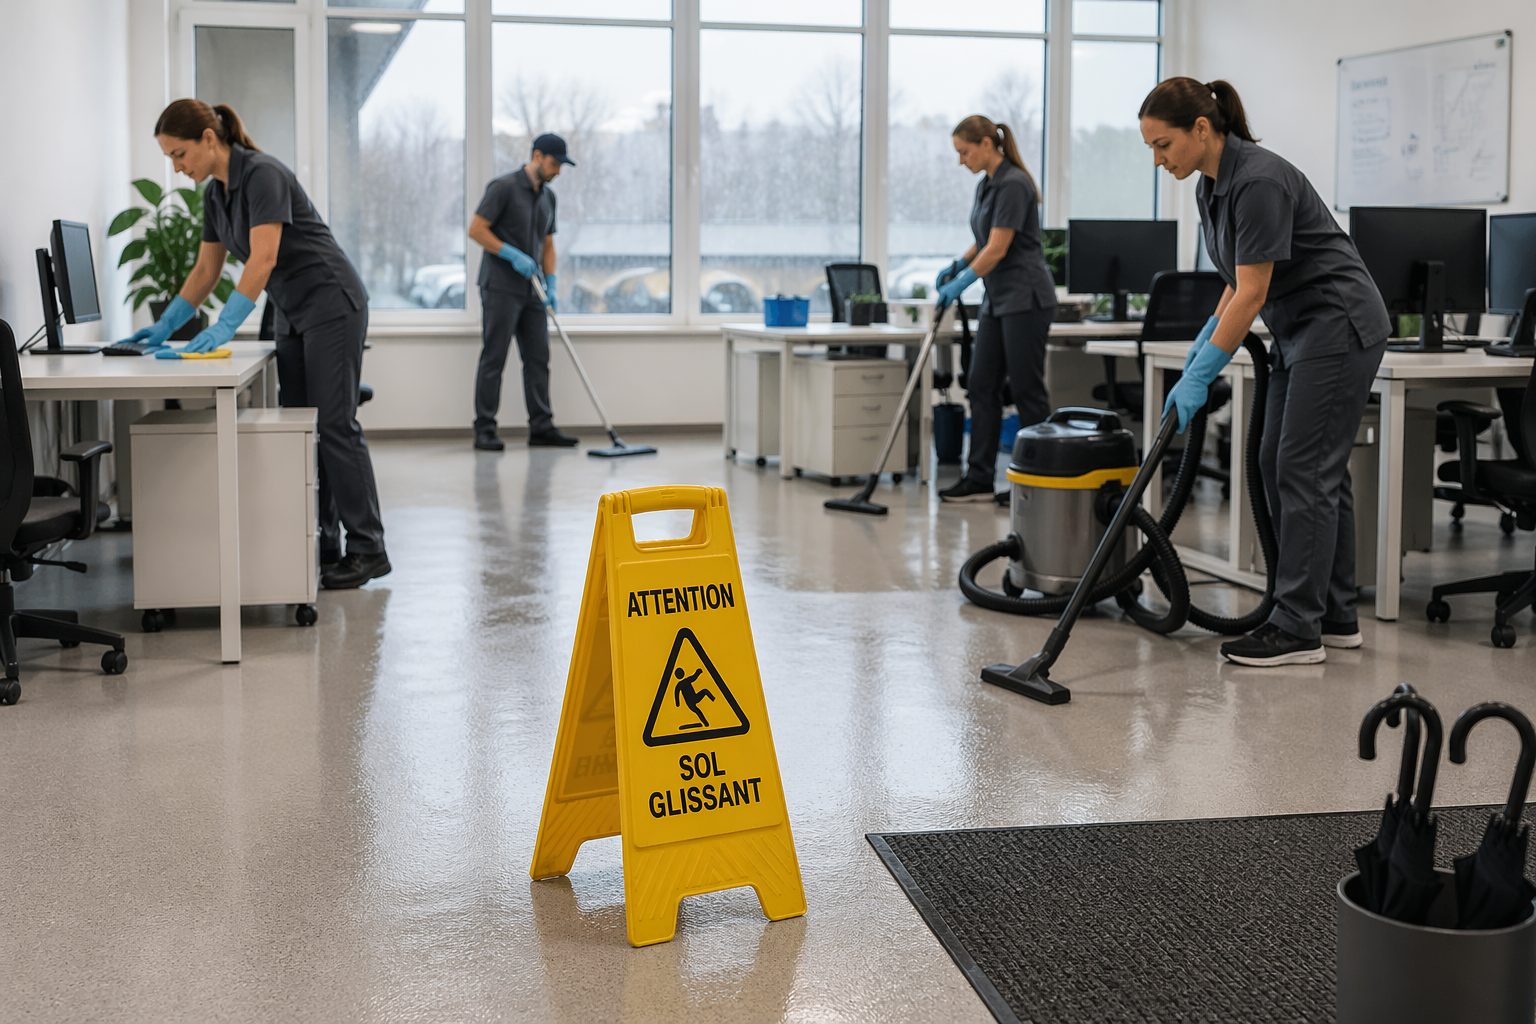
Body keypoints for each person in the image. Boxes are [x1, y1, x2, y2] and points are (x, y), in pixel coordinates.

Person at [1140, 77, 1390, 667]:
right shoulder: (1211, 187)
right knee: (1288, 462)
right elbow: (1235, 281)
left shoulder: (1257, 181)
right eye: (1150, 148)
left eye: (1163, 144)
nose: (1157, 160)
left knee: (1303, 468)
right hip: (1300, 329)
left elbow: (1253, 292)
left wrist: (1204, 371)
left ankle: (1297, 628)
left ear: (1202, 129)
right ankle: (1334, 615)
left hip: (1337, 323)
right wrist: (1205, 339)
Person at [115, 99, 389, 590]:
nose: (177, 168)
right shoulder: (216, 196)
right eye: (170, 159)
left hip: (331, 301)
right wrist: (166, 325)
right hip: (291, 311)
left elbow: (263, 259)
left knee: (334, 423)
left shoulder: (263, 174)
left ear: (208, 139)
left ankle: (368, 547)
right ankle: (325, 539)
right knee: (305, 427)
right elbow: (206, 270)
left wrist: (223, 327)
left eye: (179, 155)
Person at [934, 114, 1058, 503]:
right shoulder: (986, 185)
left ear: (986, 144)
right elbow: (984, 240)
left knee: (1026, 390)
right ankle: (979, 478)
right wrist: (958, 263)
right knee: (980, 384)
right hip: (998, 298)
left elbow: (999, 248)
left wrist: (962, 282)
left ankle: (1041, 481)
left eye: (964, 152)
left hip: (1026, 298)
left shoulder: (1015, 184)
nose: (961, 161)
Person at [468, 133, 576, 451]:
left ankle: (541, 427)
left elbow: (548, 244)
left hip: (534, 291)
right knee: (494, 357)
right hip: (500, 287)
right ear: (537, 156)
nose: (558, 171)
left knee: (538, 358)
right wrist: (510, 254)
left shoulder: (548, 198)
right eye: (555, 163)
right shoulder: (502, 188)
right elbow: (476, 229)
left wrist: (552, 282)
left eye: (561, 166)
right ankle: (485, 429)